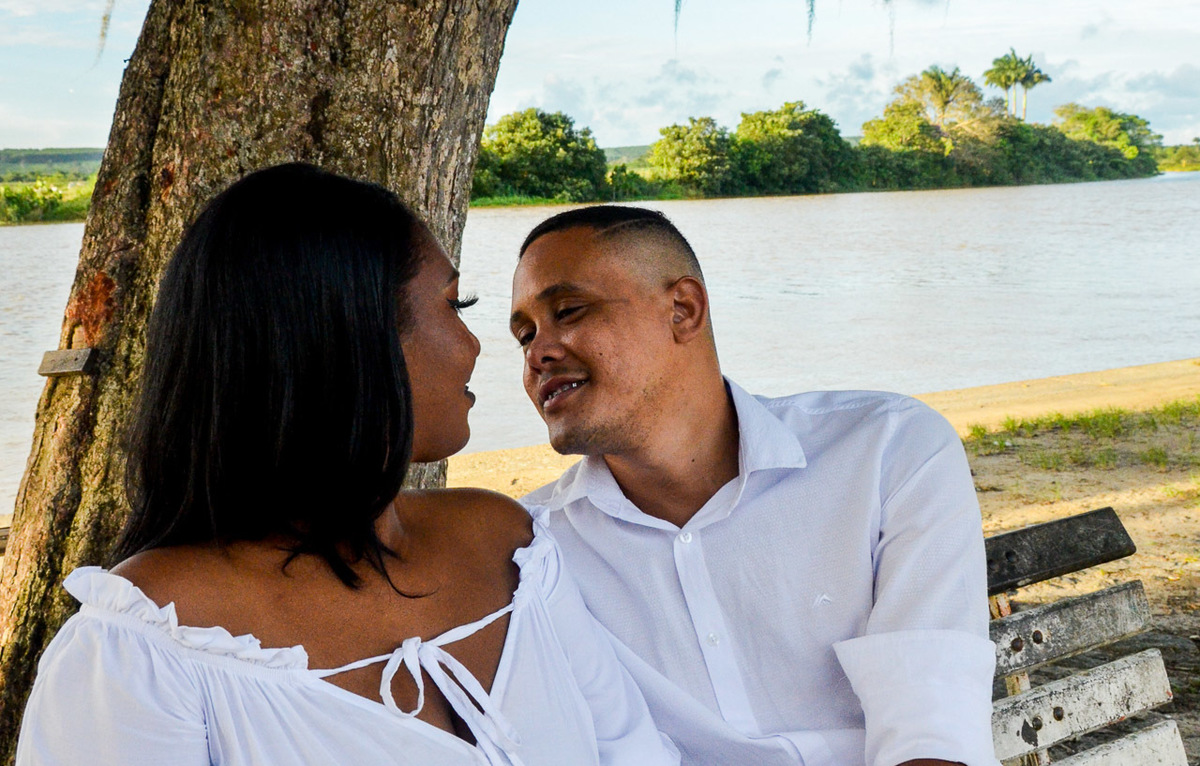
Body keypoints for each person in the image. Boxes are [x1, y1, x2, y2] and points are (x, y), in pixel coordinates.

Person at [16, 167, 678, 766]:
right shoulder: (143, 646)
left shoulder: (512, 548)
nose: (476, 344)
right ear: (352, 338)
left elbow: (635, 754)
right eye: (456, 305)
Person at [509, 205, 1000, 766]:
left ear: (683, 309)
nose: (538, 353)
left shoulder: (885, 450)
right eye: (524, 335)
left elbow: (929, 733)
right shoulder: (535, 549)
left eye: (569, 311)